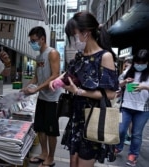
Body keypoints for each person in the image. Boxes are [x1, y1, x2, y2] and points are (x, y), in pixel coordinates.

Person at [49, 11, 119, 167]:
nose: (73, 41)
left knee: (83, 163)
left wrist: (79, 92)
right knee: (73, 162)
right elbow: (68, 74)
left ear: (86, 33)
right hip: (77, 117)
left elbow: (111, 93)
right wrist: (56, 81)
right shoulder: (79, 57)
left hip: (94, 118)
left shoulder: (104, 56)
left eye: (74, 36)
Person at [22, 26, 61, 167]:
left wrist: (36, 89)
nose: (32, 43)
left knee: (51, 131)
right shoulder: (38, 57)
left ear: (43, 39)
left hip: (53, 99)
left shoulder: (53, 53)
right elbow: (36, 77)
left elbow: (55, 75)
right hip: (42, 97)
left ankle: (50, 158)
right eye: (31, 41)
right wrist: (28, 87)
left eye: (34, 40)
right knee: (40, 127)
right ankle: (43, 153)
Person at [115, 49, 149, 167]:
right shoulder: (129, 70)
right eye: (137, 62)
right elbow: (117, 83)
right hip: (126, 105)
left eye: (142, 63)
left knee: (136, 134)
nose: (139, 65)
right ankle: (118, 147)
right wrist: (125, 82)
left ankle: (133, 155)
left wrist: (144, 87)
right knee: (121, 129)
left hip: (143, 109)